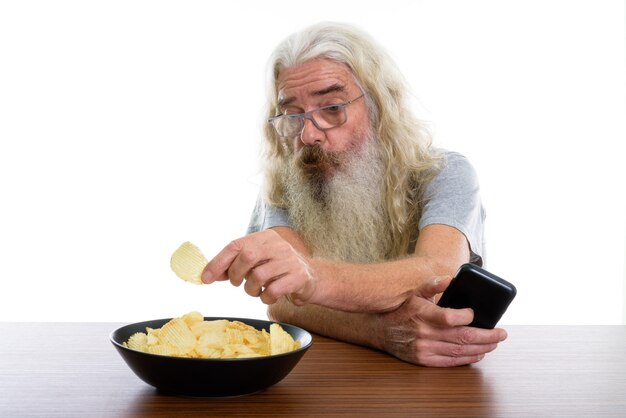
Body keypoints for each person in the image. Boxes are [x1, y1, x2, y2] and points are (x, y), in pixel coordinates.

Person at [201, 22, 507, 367]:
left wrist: (313, 280)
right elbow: (283, 298)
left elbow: (436, 275)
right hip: (325, 373)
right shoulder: (288, 180)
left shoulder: (445, 172)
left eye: (332, 108)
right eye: (293, 115)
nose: (308, 135)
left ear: (380, 105)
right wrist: (379, 332)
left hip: (435, 374)